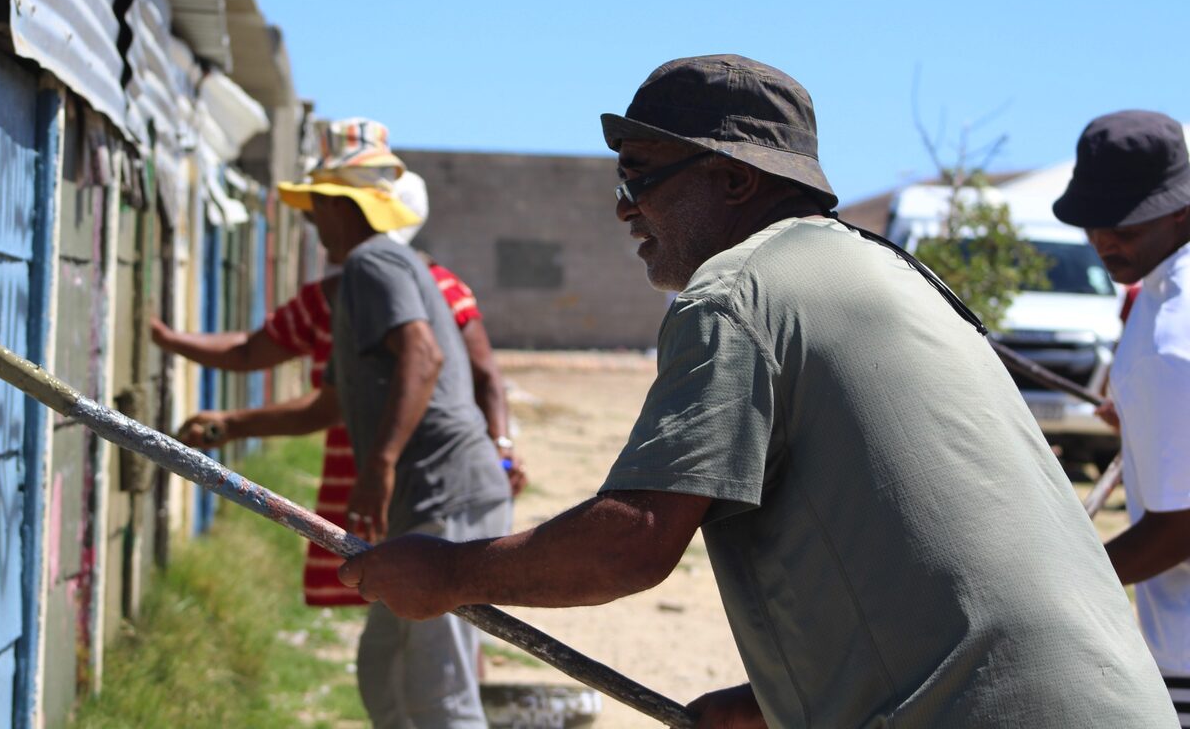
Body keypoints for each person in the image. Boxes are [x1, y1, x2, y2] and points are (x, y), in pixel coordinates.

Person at [334, 56, 1175, 727]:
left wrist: (446, 573)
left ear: (735, 180)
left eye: (640, 177)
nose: (625, 210)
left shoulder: (738, 290)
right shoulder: (896, 277)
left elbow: (631, 542)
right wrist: (778, 702)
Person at [200, 117, 512, 728]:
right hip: (426, 505)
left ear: (340, 205)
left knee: (436, 686)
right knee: (384, 671)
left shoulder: (374, 264)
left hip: (445, 497)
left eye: (316, 205)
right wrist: (227, 426)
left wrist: (378, 466)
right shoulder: (367, 278)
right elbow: (328, 406)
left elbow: (424, 356)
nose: (311, 221)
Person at [1052, 109, 1190, 725]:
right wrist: (1142, 420)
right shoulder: (1161, 301)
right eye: (1094, 220)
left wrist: (1067, 583)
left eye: (1126, 222)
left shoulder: (1170, 335)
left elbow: (1180, 527)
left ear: (1180, 208)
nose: (1105, 237)